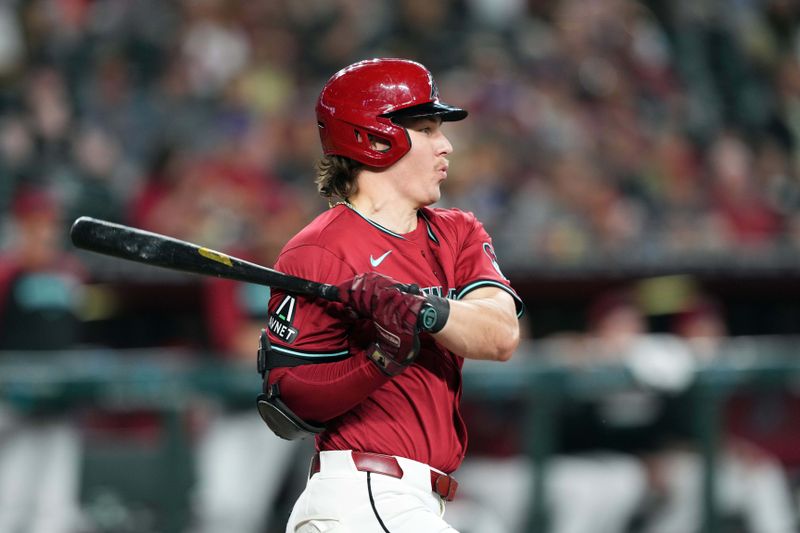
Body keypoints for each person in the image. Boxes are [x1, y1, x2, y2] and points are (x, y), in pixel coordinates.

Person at [256, 58, 524, 533]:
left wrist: (425, 311)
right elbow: (289, 409)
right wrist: (380, 359)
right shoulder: (319, 250)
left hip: (415, 502)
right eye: (426, 129)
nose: (447, 146)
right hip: (360, 496)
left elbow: (500, 335)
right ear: (376, 139)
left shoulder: (456, 232)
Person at [0, 186, 87, 533]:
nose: (43, 235)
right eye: (34, 226)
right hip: (11, 402)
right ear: (19, 228)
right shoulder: (8, 272)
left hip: (58, 404)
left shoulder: (70, 273)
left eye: (49, 226)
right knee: (10, 501)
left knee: (55, 509)